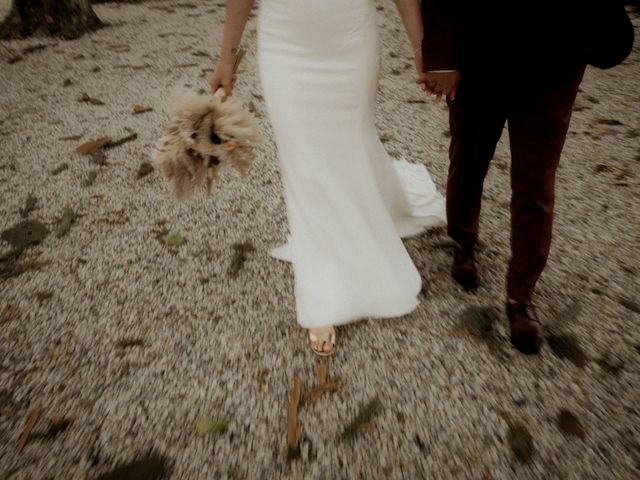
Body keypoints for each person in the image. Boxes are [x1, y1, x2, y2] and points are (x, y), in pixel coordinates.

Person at [210, 0, 445, 356]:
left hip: (350, 42)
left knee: (352, 142)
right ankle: (323, 293)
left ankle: (376, 205)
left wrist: (421, 46)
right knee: (301, 159)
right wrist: (227, 57)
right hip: (284, 45)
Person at [418, 0, 634, 354]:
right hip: (479, 53)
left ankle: (521, 294)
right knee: (468, 159)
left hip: (554, 64)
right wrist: (441, 56)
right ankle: (464, 241)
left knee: (536, 182)